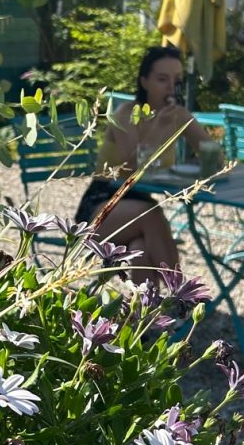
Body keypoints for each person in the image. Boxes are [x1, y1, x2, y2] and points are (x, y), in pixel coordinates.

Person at [74, 44, 210, 278]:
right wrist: (160, 126)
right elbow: (134, 165)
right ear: (144, 81)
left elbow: (212, 152)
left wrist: (200, 148)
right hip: (102, 205)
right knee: (150, 213)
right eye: (162, 79)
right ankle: (179, 294)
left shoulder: (178, 115)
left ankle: (147, 312)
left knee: (141, 250)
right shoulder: (126, 113)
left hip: (139, 205)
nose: (171, 87)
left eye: (177, 80)